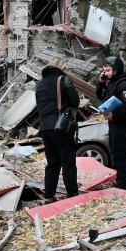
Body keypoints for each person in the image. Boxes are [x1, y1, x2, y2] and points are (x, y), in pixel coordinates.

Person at [35, 57, 80, 203]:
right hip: (61, 127)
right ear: (61, 67)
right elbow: (75, 102)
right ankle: (72, 194)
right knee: (68, 161)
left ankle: (48, 195)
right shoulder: (63, 79)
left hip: (45, 127)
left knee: (52, 162)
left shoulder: (40, 84)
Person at [96, 56, 126, 190]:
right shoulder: (111, 83)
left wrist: (114, 115)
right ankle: (120, 181)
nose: (105, 73)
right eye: (104, 70)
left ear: (116, 70)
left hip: (123, 124)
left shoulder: (124, 84)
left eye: (107, 70)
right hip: (114, 124)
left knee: (120, 155)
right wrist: (101, 82)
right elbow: (100, 96)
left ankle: (123, 185)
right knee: (115, 153)